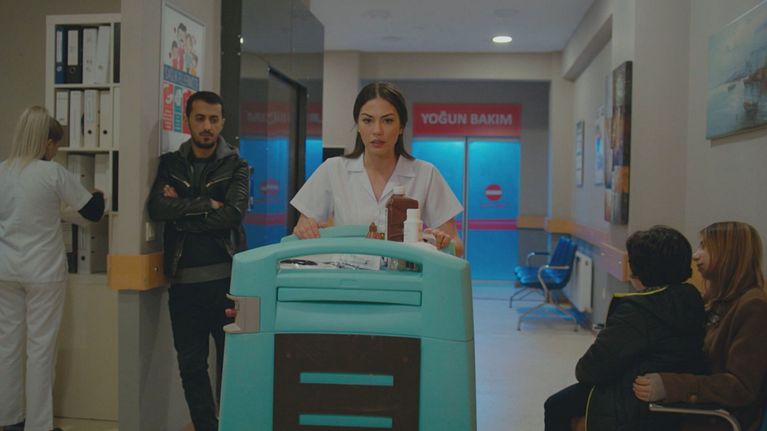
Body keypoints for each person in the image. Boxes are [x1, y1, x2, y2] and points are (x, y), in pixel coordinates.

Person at [147, 91, 249, 431]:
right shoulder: (171, 164)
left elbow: (233, 215)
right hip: (183, 285)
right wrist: (207, 204)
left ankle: (230, 424)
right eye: (200, 118)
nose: (207, 126)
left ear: (222, 122)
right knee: (191, 368)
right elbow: (157, 208)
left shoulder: (236, 165)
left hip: (227, 283)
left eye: (214, 119)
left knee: (230, 366)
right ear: (188, 120)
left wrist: (183, 211)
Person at [0, 106, 105, 431]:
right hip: (43, 273)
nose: (56, 150)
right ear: (46, 142)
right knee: (41, 349)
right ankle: (39, 425)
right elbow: (92, 211)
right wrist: (99, 193)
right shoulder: (52, 173)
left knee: (7, 346)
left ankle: (9, 419)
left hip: (6, 271)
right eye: (55, 144)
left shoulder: (2, 171)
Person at [544, 225, 707, 431]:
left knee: (556, 405)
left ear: (641, 268)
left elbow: (590, 369)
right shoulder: (692, 298)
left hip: (637, 405)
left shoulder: (639, 311)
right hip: (673, 401)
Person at [290, 81, 465, 256]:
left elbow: (457, 246)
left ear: (401, 127)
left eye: (388, 121)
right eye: (367, 120)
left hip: (404, 273)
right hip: (348, 272)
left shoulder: (425, 173)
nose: (377, 130)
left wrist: (441, 242)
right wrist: (304, 228)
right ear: (358, 125)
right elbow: (302, 230)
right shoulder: (333, 169)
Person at [633, 221, 767, 431]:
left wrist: (670, 385)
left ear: (729, 253)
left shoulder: (753, 306)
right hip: (694, 409)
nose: (696, 255)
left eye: (705, 247)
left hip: (714, 419)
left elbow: (740, 387)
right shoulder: (717, 298)